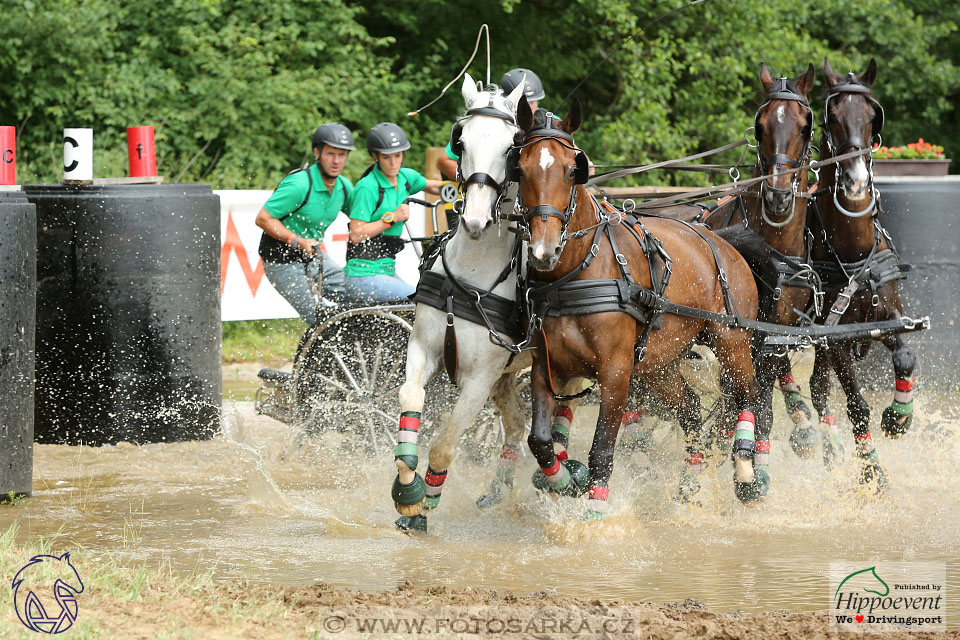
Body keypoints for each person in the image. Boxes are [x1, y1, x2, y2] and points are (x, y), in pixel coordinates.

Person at [256, 122, 355, 325]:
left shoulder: (343, 186)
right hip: (281, 261)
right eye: (330, 154)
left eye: (342, 155)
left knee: (356, 295)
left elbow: (362, 219)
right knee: (319, 319)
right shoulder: (299, 184)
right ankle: (322, 350)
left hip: (314, 257)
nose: (336, 161)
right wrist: (296, 240)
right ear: (317, 152)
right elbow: (263, 218)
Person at [344, 122, 442, 304]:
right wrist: (391, 218)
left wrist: (468, 187)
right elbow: (356, 234)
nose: (393, 163)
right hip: (362, 276)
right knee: (422, 300)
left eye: (398, 156)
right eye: (387, 157)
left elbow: (435, 186)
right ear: (375, 156)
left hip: (385, 273)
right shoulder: (367, 187)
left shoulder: (405, 178)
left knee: (418, 308)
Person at [435, 68, 547, 181]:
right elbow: (443, 162)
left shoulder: (551, 124)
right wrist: (470, 183)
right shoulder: (488, 124)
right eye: (521, 103)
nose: (528, 108)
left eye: (532, 102)